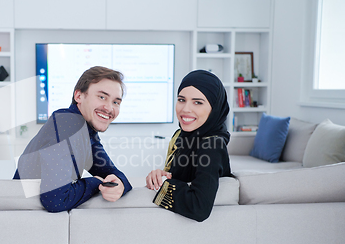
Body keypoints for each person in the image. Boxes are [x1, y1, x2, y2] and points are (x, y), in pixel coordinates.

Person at [14, 66, 132, 212]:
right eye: (102, 97)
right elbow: (55, 200)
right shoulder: (67, 124)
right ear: (78, 96)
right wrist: (96, 182)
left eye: (116, 102)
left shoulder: (85, 131)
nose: (109, 108)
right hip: (26, 220)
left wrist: (119, 185)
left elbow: (112, 173)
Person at [145, 70, 232, 222]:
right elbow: (176, 177)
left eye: (198, 102)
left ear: (214, 107)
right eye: (181, 100)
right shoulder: (181, 135)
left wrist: (163, 185)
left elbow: (199, 207)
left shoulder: (212, 145)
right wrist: (160, 176)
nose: (185, 109)